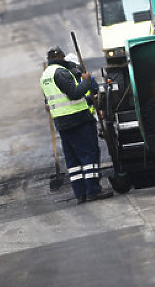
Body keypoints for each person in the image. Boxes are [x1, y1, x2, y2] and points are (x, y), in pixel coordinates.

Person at [40, 46, 113, 204]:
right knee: (89, 154)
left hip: (62, 122)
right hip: (78, 120)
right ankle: (93, 190)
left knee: (73, 160)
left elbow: (53, 101)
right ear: (60, 56)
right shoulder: (61, 72)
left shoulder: (45, 75)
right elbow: (74, 94)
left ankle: (80, 193)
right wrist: (86, 82)